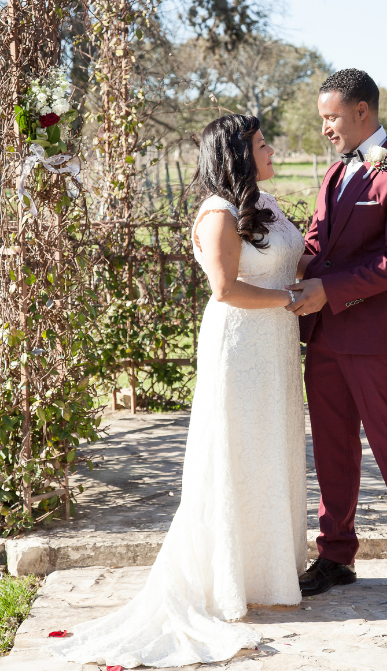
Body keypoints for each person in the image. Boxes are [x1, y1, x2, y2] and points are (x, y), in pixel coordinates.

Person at [49, 114, 308, 668]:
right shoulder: (218, 213)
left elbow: (298, 257)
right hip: (241, 348)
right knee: (236, 452)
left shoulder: (265, 205)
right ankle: (227, 579)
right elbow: (227, 289)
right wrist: (290, 299)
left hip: (276, 349)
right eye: (262, 143)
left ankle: (267, 572)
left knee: (270, 451)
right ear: (238, 153)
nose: (271, 148)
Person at [286, 68, 387, 607]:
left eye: (332, 117)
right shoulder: (335, 174)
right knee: (331, 448)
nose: (326, 128)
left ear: (362, 111)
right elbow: (317, 237)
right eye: (322, 118)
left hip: (373, 337)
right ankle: (336, 556)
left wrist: (328, 287)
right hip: (325, 336)